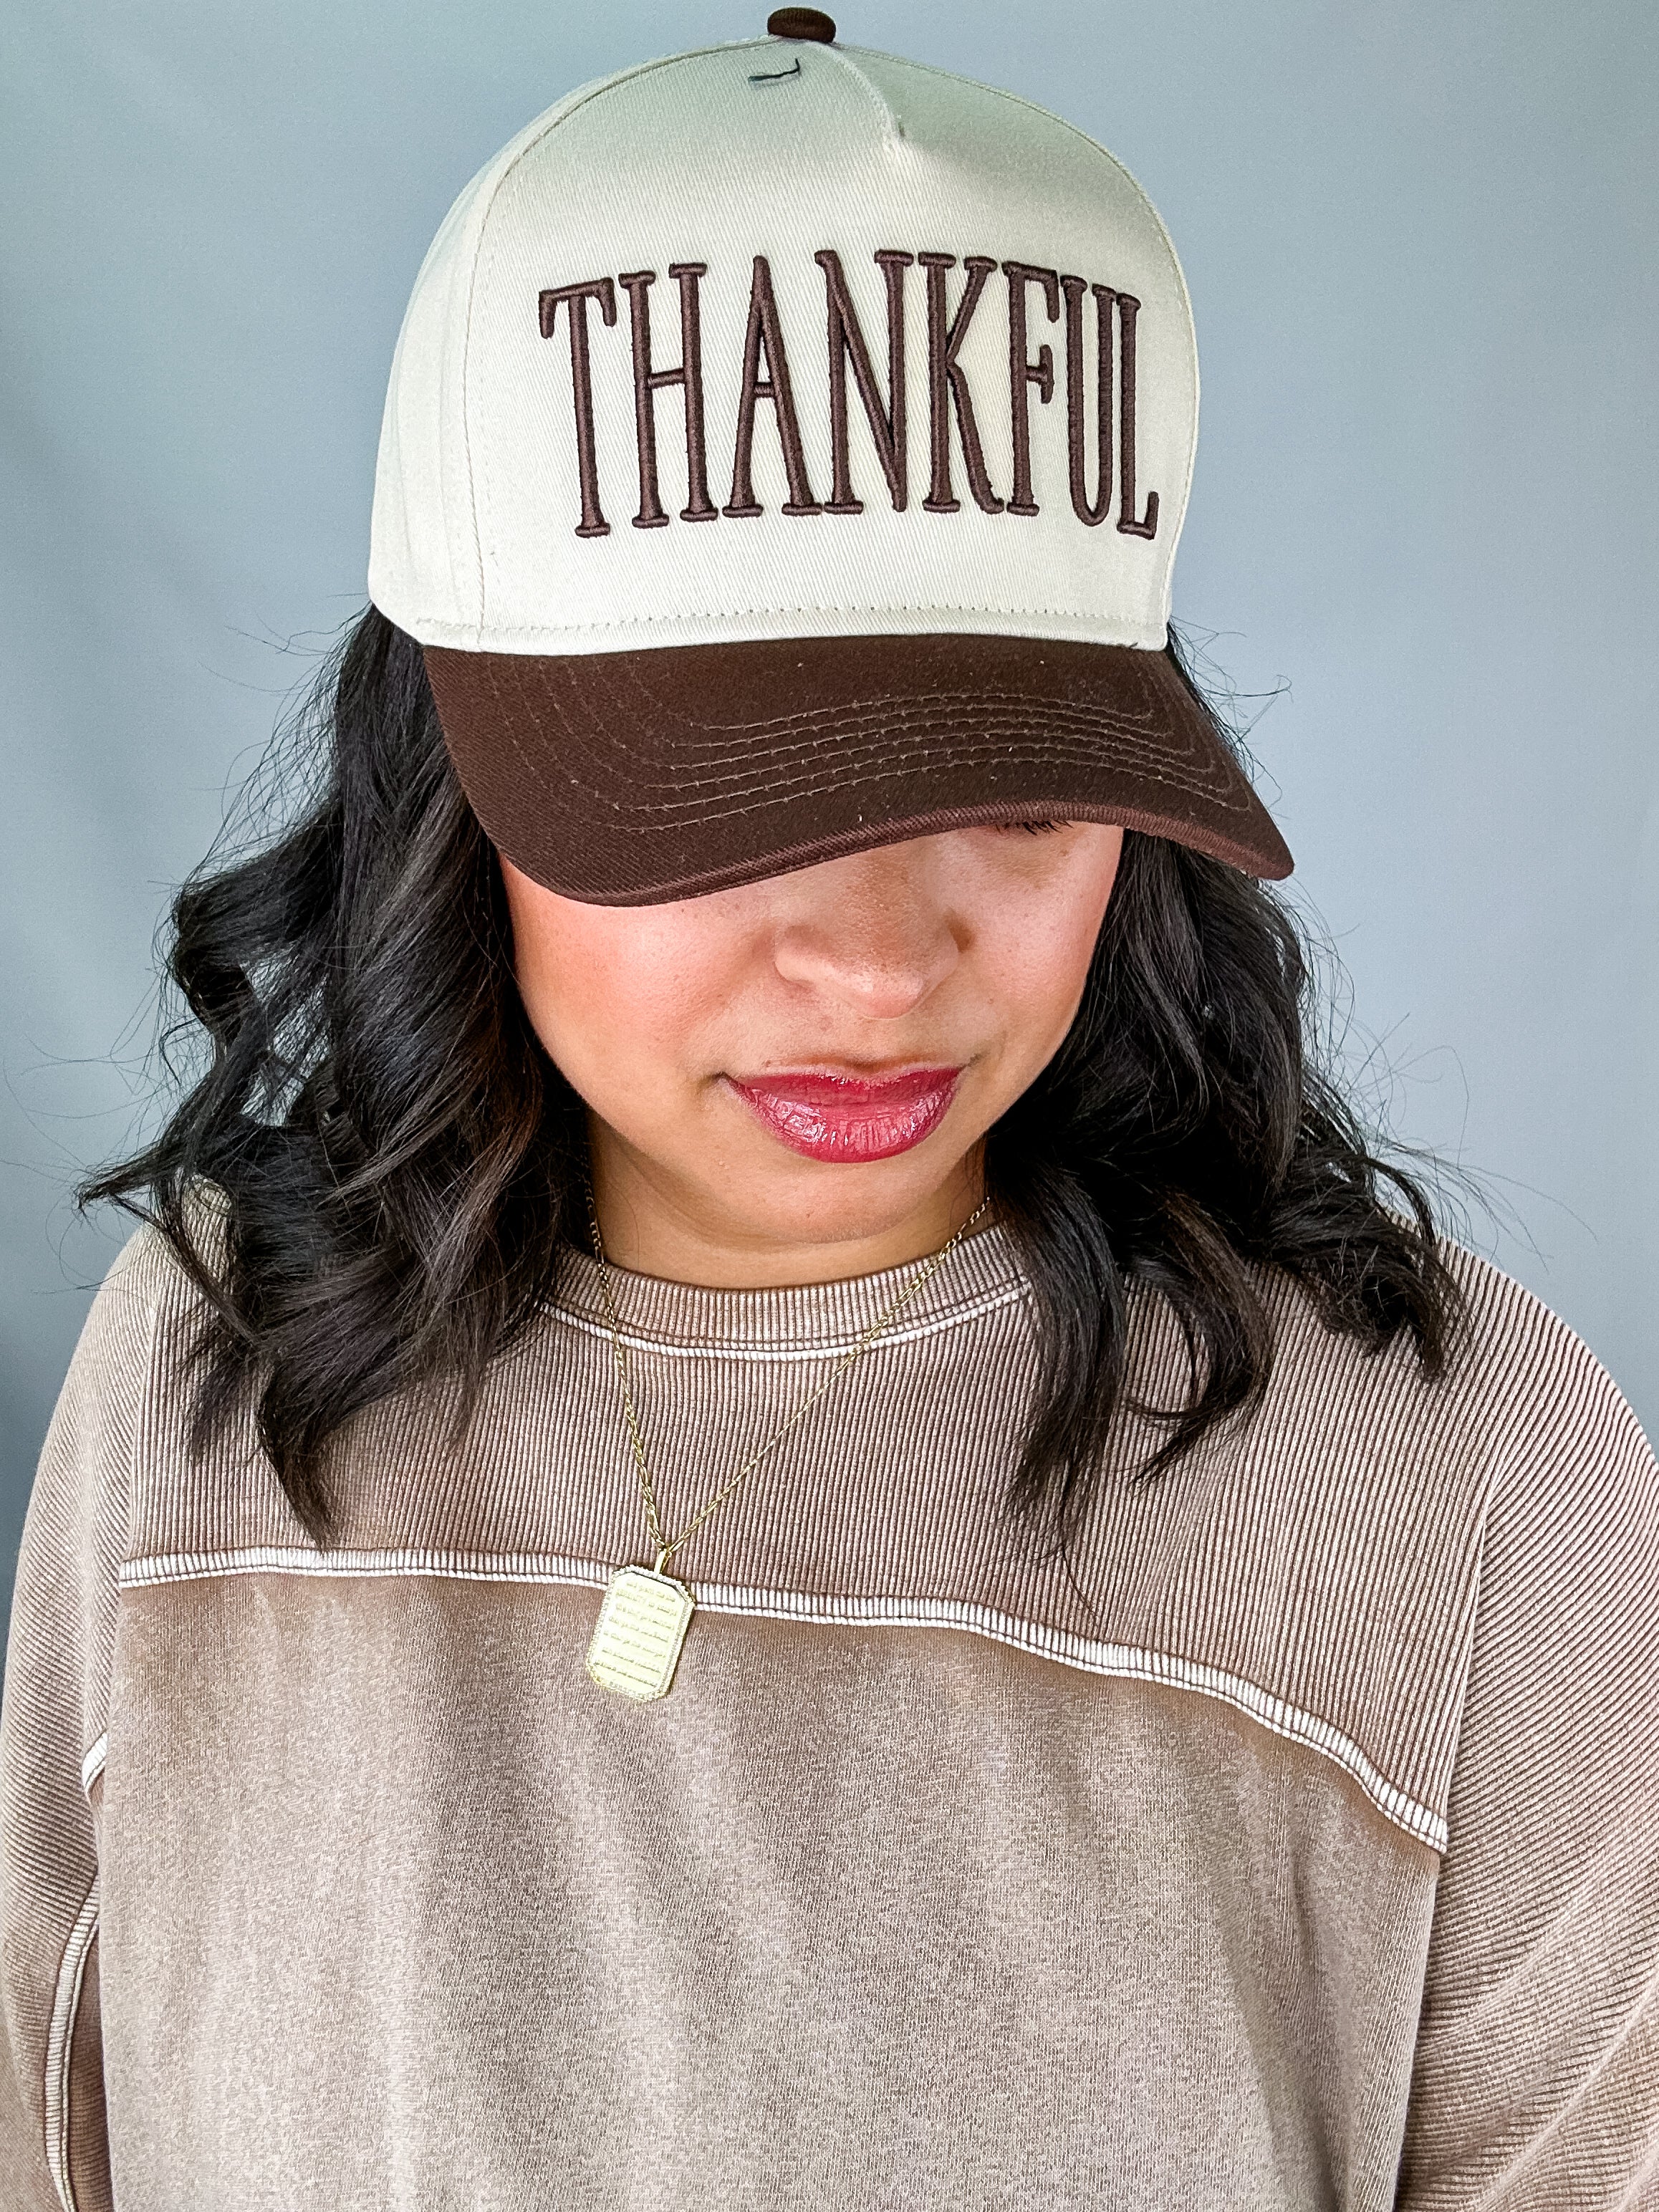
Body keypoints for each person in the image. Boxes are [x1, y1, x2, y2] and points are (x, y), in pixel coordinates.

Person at [4, 14, 1655, 2209]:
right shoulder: (210, 1369)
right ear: (454, 774)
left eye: (1019, 795)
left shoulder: (1460, 1483)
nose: (880, 966)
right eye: (725, 805)